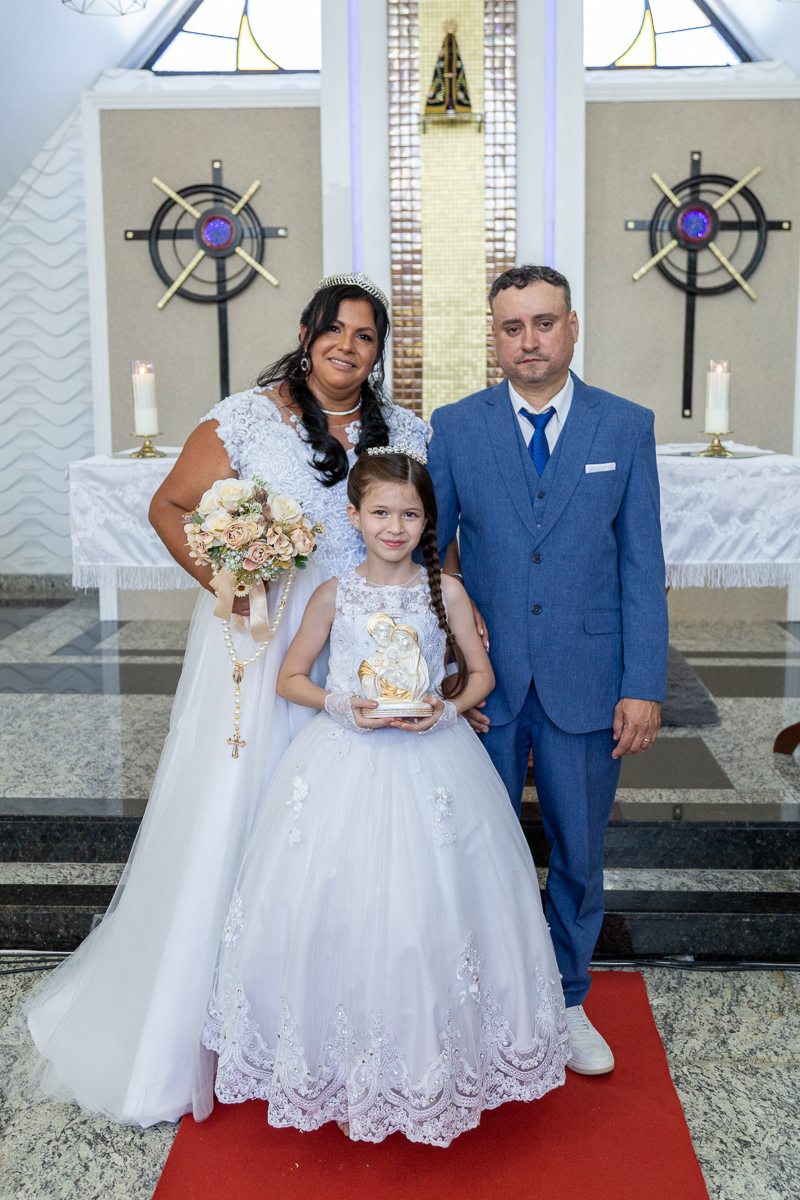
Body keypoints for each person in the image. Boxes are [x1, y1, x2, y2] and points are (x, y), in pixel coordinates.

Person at [17, 275, 428, 1128]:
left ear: (378, 351)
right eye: (334, 331)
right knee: (238, 815)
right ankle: (199, 1024)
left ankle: (316, 1023)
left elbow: (429, 541)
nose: (347, 348)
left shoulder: (404, 433)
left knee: (335, 828)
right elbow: (169, 505)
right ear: (308, 333)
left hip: (355, 649)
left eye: (364, 337)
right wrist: (228, 578)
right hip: (261, 638)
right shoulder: (245, 419)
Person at [201, 447, 569, 1146]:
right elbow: (291, 678)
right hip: (346, 756)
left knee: (435, 909)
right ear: (354, 517)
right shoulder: (334, 594)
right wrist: (342, 705)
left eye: (408, 514)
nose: (394, 526)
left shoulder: (448, 592)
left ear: (427, 519)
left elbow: (482, 674)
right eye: (379, 513)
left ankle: (438, 1063)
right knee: (336, 904)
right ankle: (331, 1065)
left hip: (433, 761)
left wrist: (448, 708)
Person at [427, 264, 669, 1076]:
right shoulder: (456, 427)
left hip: (589, 680)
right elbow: (432, 554)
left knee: (577, 851)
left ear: (573, 326)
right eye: (511, 327)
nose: (528, 341)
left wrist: (643, 684)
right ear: (493, 336)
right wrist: (456, 653)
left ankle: (566, 1000)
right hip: (488, 685)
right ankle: (488, 999)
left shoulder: (625, 427)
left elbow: (642, 564)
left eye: (544, 323)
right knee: (478, 847)